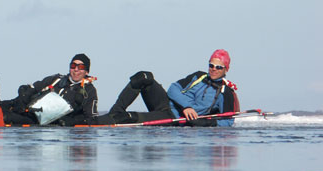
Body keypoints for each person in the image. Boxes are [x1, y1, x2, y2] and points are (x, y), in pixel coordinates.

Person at [93, 49, 239, 127]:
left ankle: (93, 122)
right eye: (211, 65)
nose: (213, 69)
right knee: (144, 77)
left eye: (218, 67)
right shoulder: (198, 76)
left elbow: (228, 122)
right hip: (165, 104)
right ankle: (113, 112)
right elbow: (173, 89)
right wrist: (186, 106)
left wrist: (205, 122)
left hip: (172, 118)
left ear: (226, 69)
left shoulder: (226, 92)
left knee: (126, 118)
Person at [1, 53, 99, 126]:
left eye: (80, 67)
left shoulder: (89, 91)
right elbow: (34, 87)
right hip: (30, 109)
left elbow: (91, 118)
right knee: (0, 106)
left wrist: (71, 121)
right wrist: (24, 94)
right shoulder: (56, 79)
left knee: (6, 117)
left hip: (44, 122)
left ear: (86, 72)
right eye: (73, 66)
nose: (76, 69)